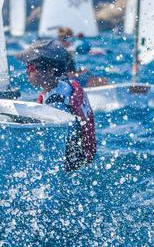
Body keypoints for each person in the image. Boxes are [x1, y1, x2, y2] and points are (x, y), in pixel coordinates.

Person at [16, 39, 96, 169]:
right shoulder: (66, 85)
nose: (26, 72)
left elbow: (54, 145)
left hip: (69, 164)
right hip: (82, 158)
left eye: (31, 67)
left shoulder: (57, 103)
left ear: (50, 71)